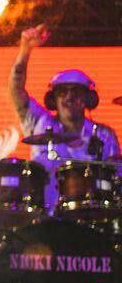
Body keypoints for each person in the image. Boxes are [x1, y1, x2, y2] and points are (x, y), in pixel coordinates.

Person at [8, 24, 119, 213]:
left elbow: (116, 179)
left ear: (88, 99)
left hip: (92, 220)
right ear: (52, 99)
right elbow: (15, 89)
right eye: (62, 92)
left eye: (76, 92)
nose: (69, 97)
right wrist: (25, 49)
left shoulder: (103, 135)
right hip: (45, 218)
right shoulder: (39, 123)